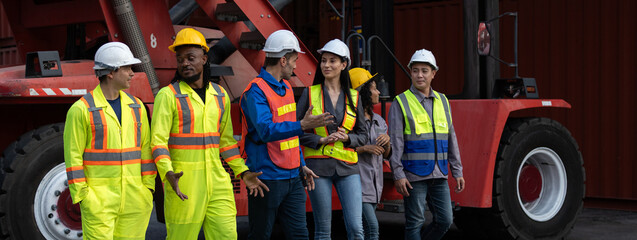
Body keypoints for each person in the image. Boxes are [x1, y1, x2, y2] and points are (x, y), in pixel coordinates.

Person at [151, 28, 267, 239]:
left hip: (218, 183)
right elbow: (158, 142)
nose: (185, 63)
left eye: (190, 58)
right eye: (180, 59)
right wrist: (167, 173)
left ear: (204, 59)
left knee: (226, 235)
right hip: (183, 184)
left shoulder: (219, 95)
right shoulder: (168, 96)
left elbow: (226, 143)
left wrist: (242, 171)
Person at [240, 29, 335, 240]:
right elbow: (265, 131)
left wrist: (301, 164)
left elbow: (290, 134)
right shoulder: (255, 91)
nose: (295, 65)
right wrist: (302, 125)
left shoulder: (287, 88)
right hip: (267, 178)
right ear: (283, 60)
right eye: (294, 60)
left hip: (293, 177)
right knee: (260, 235)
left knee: (300, 235)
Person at [63, 42, 156, 239]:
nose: (132, 73)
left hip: (135, 201)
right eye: (127, 68)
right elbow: (73, 157)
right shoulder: (81, 110)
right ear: (111, 73)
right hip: (99, 204)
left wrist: (148, 188)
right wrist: (83, 197)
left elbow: (146, 150)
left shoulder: (137, 107)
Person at [388, 49, 465, 240]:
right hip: (413, 175)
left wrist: (458, 171)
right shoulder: (401, 102)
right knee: (414, 223)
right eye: (415, 70)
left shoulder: (443, 101)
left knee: (445, 220)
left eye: (424, 70)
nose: (419, 75)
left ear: (433, 73)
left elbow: (451, 138)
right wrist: (397, 174)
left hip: (439, 173)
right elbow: (395, 141)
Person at [297, 39, 367, 240]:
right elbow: (294, 130)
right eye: (324, 61)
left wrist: (347, 139)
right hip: (318, 168)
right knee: (323, 230)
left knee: (356, 228)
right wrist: (318, 141)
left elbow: (363, 135)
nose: (326, 65)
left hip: (348, 167)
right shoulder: (310, 94)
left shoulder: (354, 97)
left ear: (344, 65)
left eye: (332, 61)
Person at [349, 68, 391, 240]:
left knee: (363, 231)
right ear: (363, 92)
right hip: (357, 186)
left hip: (375, 187)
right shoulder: (349, 121)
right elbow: (338, 150)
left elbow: (387, 154)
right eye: (374, 88)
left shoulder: (379, 120)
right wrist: (365, 148)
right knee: (372, 229)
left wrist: (387, 142)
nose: (378, 92)